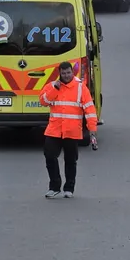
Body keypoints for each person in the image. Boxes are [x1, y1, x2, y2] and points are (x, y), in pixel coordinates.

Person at [40, 62, 97, 198]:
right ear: (60, 73)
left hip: (72, 131)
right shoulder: (52, 86)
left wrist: (92, 129)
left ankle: (69, 188)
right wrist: (55, 89)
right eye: (64, 73)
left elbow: (89, 109)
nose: (66, 75)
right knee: (49, 156)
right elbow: (43, 101)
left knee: (70, 160)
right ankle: (54, 187)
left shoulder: (80, 88)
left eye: (68, 73)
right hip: (54, 130)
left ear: (73, 72)